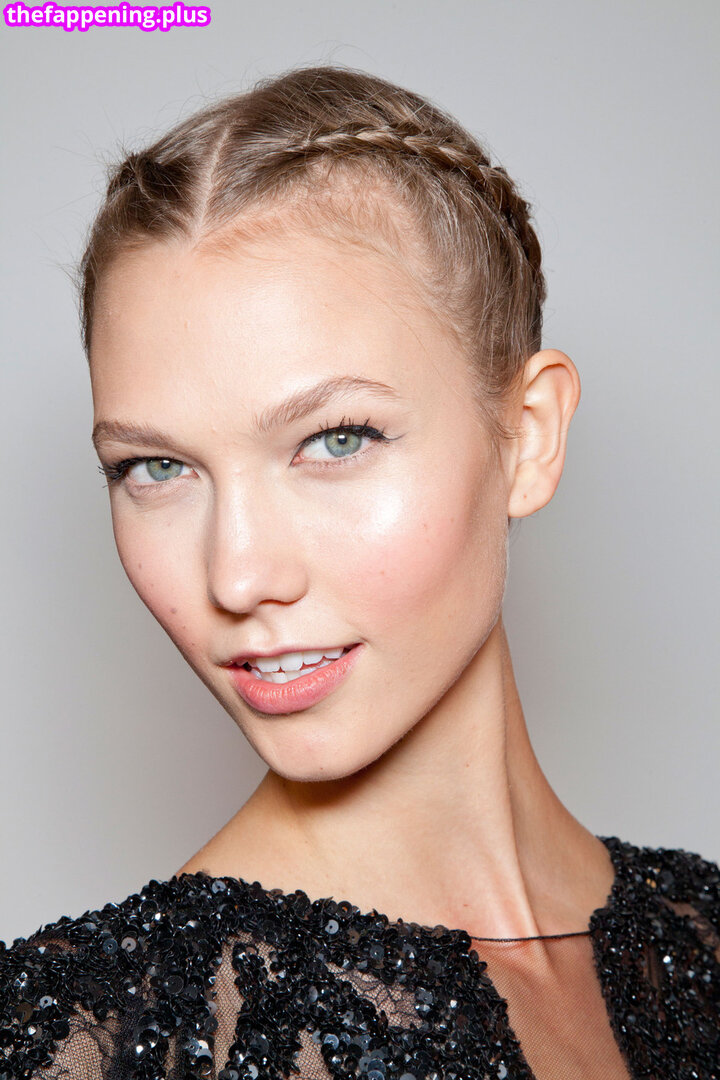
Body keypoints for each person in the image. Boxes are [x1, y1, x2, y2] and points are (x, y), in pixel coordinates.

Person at [1, 63, 718, 1080]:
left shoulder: (700, 939)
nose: (237, 577)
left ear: (528, 435)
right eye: (155, 468)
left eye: (336, 440)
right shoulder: (95, 1043)